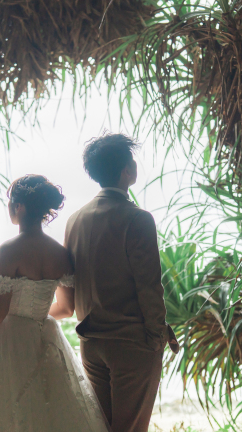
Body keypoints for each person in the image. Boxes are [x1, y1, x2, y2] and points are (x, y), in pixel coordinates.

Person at [0, 174, 110, 432]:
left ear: (19, 207)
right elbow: (67, 309)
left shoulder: (9, 250)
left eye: (11, 202)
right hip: (44, 336)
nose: (9, 207)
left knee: (4, 411)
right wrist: (37, 316)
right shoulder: (60, 253)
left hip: (9, 341)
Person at [54, 133, 179, 432]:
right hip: (132, 344)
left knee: (102, 427)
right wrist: (156, 337)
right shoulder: (137, 219)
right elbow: (149, 286)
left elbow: (68, 286)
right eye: (132, 161)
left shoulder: (74, 220)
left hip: (91, 343)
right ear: (127, 171)